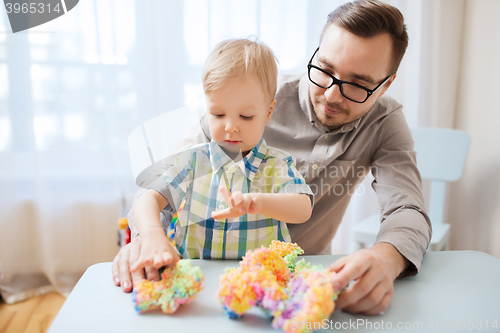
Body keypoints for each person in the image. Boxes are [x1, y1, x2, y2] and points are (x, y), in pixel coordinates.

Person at [112, 0, 431, 316]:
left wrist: (385, 259)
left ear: (386, 84)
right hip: (206, 277)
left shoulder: (385, 122)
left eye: (358, 84)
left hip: (297, 281)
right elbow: (161, 183)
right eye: (325, 69)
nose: (331, 95)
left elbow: (407, 209)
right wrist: (146, 239)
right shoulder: (251, 95)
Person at [129, 38, 313, 273]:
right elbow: (148, 199)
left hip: (260, 280)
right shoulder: (192, 162)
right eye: (217, 114)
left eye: (246, 116)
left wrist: (257, 203)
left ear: (268, 112)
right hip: (196, 278)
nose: (230, 127)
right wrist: (153, 234)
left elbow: (303, 208)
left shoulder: (277, 164)